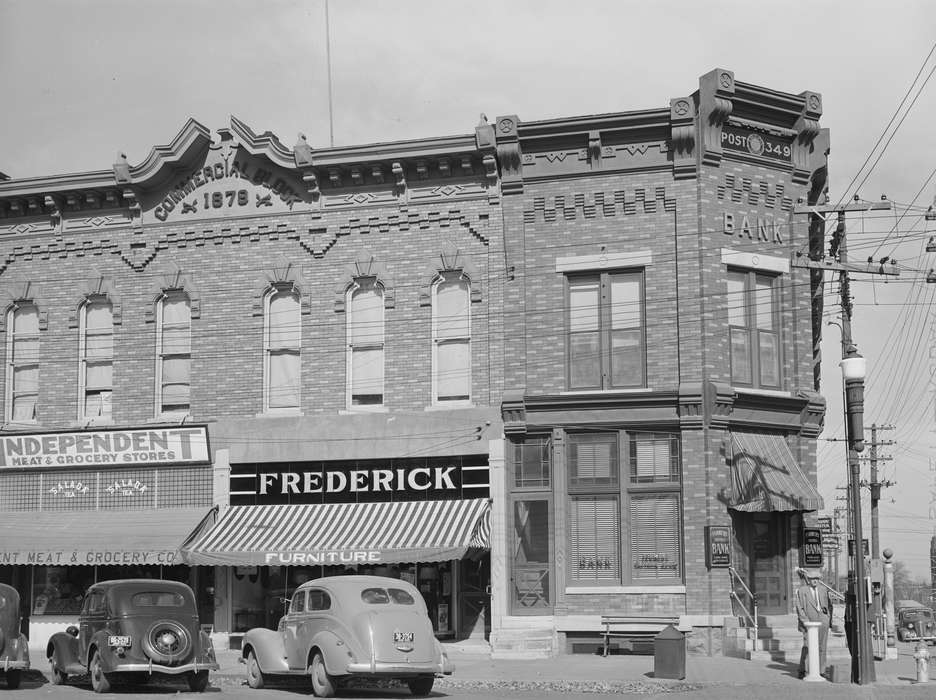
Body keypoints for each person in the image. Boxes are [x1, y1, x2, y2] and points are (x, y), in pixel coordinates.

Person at [795, 568, 833, 679]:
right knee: (808, 646)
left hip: (822, 622)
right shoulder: (802, 591)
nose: (815, 581)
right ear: (808, 579)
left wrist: (828, 619)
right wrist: (804, 620)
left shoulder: (823, 590)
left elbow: (829, 605)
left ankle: (821, 670)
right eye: (812, 579)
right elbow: (799, 607)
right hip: (808, 623)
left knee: (822, 647)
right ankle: (805, 670)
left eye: (817, 578)